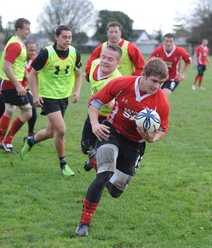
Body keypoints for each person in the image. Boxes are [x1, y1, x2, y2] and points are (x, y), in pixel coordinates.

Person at [75, 57, 170, 237]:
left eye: (161, 82)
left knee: (116, 191)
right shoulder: (122, 84)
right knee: (105, 174)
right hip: (113, 132)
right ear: (143, 75)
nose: (157, 86)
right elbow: (95, 102)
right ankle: (84, 223)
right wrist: (95, 124)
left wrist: (151, 138)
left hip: (136, 143)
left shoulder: (161, 102)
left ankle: (95, 160)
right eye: (154, 81)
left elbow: (163, 129)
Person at [20, 25, 82, 177]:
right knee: (61, 130)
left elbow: (79, 74)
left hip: (63, 97)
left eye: (70, 37)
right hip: (48, 97)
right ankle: (63, 164)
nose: (67, 40)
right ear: (56, 36)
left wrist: (77, 91)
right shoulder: (47, 53)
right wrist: (35, 96)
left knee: (50, 133)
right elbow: (33, 74)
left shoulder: (74, 53)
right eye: (64, 37)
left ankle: (30, 141)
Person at [0, 40, 38, 145]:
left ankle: (29, 134)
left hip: (23, 90)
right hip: (9, 90)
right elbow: (7, 73)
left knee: (32, 110)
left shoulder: (35, 61)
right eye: (30, 50)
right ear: (24, 50)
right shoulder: (18, 59)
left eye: (35, 50)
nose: (33, 53)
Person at [80, 44, 122, 171]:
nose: (105, 61)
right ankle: (93, 160)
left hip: (108, 118)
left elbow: (122, 101)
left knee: (103, 149)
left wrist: (113, 102)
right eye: (103, 57)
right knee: (85, 146)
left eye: (110, 59)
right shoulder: (95, 64)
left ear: (118, 63)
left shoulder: (118, 80)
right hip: (93, 112)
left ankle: (101, 171)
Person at [0, 18, 32, 153]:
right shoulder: (15, 45)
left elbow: (16, 65)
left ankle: (1, 141)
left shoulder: (18, 43)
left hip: (7, 82)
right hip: (10, 83)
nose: (29, 31)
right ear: (18, 30)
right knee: (28, 112)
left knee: (9, 109)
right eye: (26, 29)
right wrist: (18, 85)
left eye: (29, 28)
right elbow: (7, 66)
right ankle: (7, 141)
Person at [148, 33, 192, 99]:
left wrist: (183, 73)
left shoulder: (180, 51)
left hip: (172, 79)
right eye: (166, 41)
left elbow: (188, 61)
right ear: (163, 42)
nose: (168, 43)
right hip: (159, 78)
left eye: (170, 41)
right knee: (152, 97)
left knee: (162, 98)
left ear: (174, 42)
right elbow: (149, 62)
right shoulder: (158, 50)